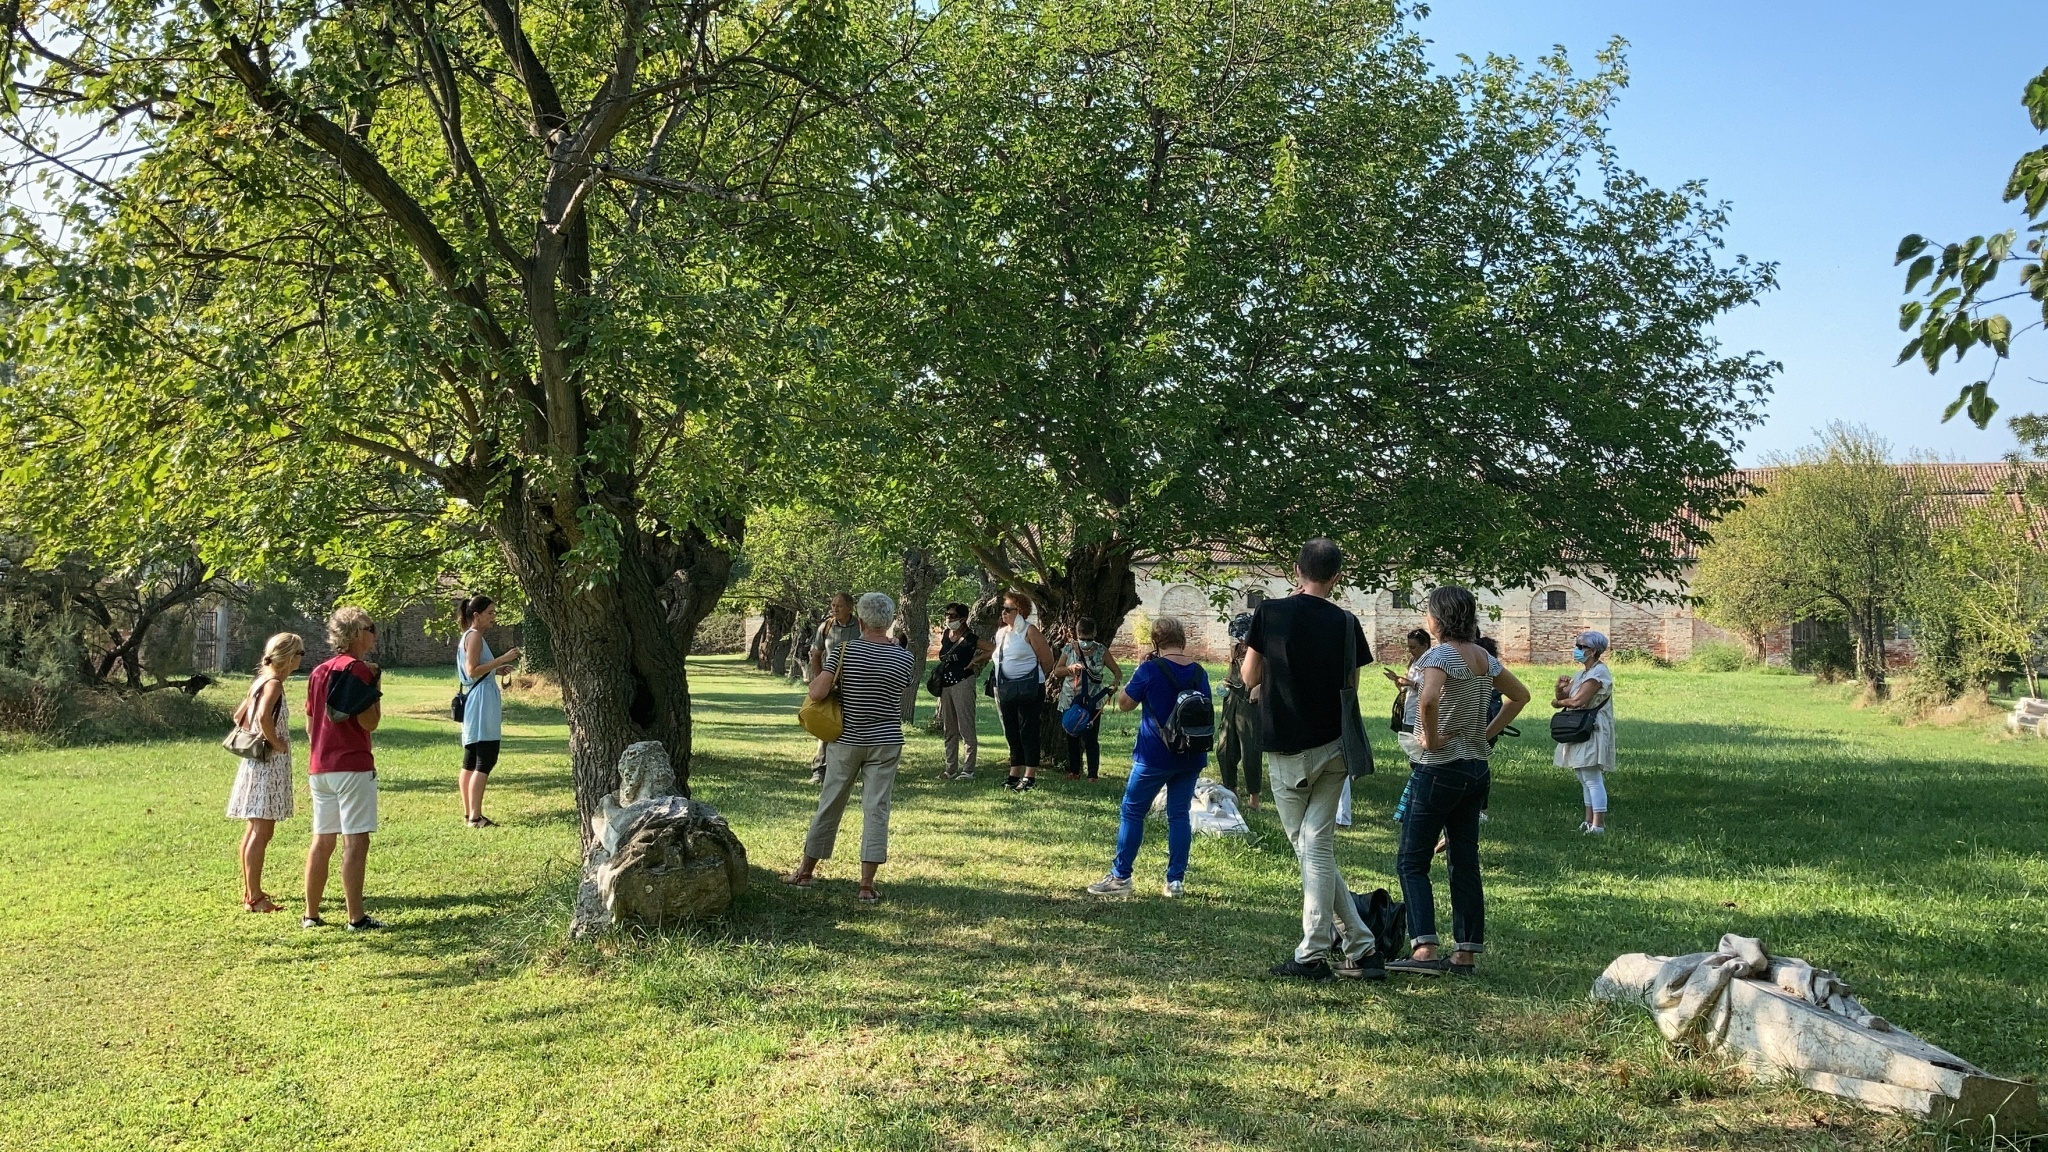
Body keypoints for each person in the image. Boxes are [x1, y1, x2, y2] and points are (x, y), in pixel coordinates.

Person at [1240, 537, 1385, 981]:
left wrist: (1260, 688)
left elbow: (1249, 674)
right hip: (1336, 745)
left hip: (1287, 745)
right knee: (1315, 846)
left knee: (1309, 847)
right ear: (1337, 576)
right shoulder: (1346, 621)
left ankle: (1313, 951)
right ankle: (1362, 946)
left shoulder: (1271, 612)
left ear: (1295, 570)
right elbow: (1353, 686)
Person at [1386, 586, 1529, 977]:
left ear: (1439, 619)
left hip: (1440, 768)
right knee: (1464, 861)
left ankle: (1424, 949)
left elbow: (1429, 700)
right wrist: (1486, 732)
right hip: (1475, 769)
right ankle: (1465, 953)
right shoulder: (1482, 656)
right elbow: (1520, 695)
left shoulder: (1439, 655)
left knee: (1412, 860)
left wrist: (1430, 739)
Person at [784, 592, 916, 903]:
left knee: (830, 803)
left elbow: (817, 693)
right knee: (876, 809)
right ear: (888, 623)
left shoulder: (845, 651)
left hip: (846, 740)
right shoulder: (904, 656)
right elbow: (902, 686)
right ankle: (866, 885)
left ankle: (805, 872)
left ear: (860, 621)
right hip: (886, 740)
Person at [1086, 616, 1207, 898]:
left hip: (1154, 753)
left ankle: (1121, 877)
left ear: (1156, 642)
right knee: (1179, 815)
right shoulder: (1199, 672)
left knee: (1133, 810)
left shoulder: (1150, 670)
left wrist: (1139, 670)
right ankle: (1175, 881)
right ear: (1183, 640)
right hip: (1190, 754)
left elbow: (1125, 704)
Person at [303, 607, 385, 931]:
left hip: (320, 767)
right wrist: (375, 687)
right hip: (352, 764)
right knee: (356, 841)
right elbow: (370, 722)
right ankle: (356, 917)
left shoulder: (318, 672)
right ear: (355, 634)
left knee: (322, 840)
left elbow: (310, 726)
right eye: (370, 627)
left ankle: (311, 914)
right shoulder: (358, 670)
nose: (374, 634)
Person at [225, 632, 305, 914]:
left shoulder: (260, 681)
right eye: (300, 654)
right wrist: (276, 742)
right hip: (268, 765)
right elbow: (260, 718)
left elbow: (239, 717)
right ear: (288, 657)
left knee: (254, 830)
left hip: (255, 764)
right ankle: (256, 897)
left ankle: (251, 891)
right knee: (262, 831)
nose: (301, 660)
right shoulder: (273, 685)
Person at [455, 595, 521, 828]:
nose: (494, 617)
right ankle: (475, 816)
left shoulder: (470, 637)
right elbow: (472, 670)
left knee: (470, 759)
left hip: (476, 700)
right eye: (490, 613)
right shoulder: (475, 637)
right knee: (485, 757)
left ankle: (469, 814)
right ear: (477, 615)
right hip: (481, 702)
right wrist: (502, 658)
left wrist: (496, 669)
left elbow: (477, 670)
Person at [1553, 629, 1616, 834]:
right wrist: (1559, 689)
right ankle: (1588, 821)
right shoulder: (1582, 673)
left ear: (1594, 651)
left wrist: (1557, 701)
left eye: (1582, 647)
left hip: (1592, 728)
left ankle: (1598, 824)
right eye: (1577, 645)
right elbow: (1568, 695)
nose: (1577, 650)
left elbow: (1579, 701)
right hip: (1580, 726)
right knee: (1583, 776)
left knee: (1592, 777)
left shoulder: (1599, 674)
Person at [991, 592, 1055, 791]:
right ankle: (1014, 771)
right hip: (1007, 687)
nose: (1004, 613)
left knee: (1028, 730)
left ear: (1020, 611)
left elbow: (1048, 660)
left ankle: (1030, 775)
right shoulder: (1002, 633)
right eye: (1003, 609)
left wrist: (1033, 677)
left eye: (1008, 609)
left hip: (1029, 688)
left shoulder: (1030, 631)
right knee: (1012, 731)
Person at [1056, 616, 1121, 781]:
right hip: (1071, 699)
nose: (1085, 642)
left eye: (1089, 639)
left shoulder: (1101, 651)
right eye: (1082, 639)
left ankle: (1093, 774)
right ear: (1077, 634)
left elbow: (1117, 672)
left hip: (1092, 701)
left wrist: (1114, 684)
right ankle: (1074, 771)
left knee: (1091, 739)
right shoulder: (1069, 649)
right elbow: (1057, 671)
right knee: (1072, 737)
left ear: (1095, 634)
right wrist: (1070, 668)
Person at [806, 594, 862, 784]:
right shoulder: (826, 626)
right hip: (832, 683)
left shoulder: (861, 626)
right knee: (826, 723)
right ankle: (819, 769)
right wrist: (821, 678)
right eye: (833, 605)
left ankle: (849, 769)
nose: (835, 609)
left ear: (850, 608)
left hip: (855, 684)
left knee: (851, 725)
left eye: (839, 606)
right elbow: (816, 653)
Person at [935, 603, 991, 779]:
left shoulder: (970, 638)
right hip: (946, 684)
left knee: (966, 726)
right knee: (949, 728)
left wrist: (977, 660)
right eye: (947, 615)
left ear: (963, 618)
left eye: (952, 615)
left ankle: (968, 769)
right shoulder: (946, 635)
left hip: (963, 682)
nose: (948, 618)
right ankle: (950, 769)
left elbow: (992, 648)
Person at [1216, 612, 1265, 811]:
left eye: (1243, 634)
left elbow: (1272, 673)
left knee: (1250, 751)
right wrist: (1225, 684)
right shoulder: (1236, 649)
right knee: (1225, 747)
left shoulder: (1262, 650)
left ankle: (1254, 799)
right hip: (1232, 699)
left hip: (1250, 703)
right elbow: (1233, 674)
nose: (1240, 639)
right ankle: (1231, 791)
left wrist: (1260, 687)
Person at [1385, 627, 1433, 823]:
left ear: (1425, 645)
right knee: (1413, 759)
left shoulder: (1431, 662)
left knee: (1420, 760)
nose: (1411, 651)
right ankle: (1414, 800)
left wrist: (1410, 683)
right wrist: (1399, 681)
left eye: (1414, 647)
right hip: (1409, 712)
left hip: (1420, 717)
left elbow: (1430, 688)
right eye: (1409, 647)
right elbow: (1409, 685)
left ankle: (1418, 801)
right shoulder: (1415, 661)